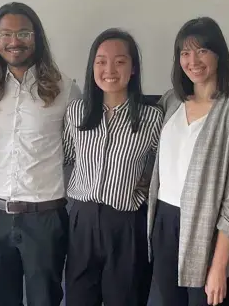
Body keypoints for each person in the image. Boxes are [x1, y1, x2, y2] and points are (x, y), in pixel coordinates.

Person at [147, 17, 229, 306]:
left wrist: (219, 266)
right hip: (164, 222)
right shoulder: (171, 101)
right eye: (185, 53)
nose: (192, 61)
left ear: (218, 55)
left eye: (202, 51)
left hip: (207, 231)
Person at [0, 1, 81, 306]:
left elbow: (75, 150)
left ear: (36, 37)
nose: (14, 41)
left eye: (23, 33)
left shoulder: (65, 88)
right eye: (6, 34)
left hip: (45, 218)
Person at [62, 29, 163, 306]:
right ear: (92, 66)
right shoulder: (76, 112)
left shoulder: (152, 118)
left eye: (119, 62)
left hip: (127, 225)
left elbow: (162, 168)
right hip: (82, 222)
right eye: (101, 61)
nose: (109, 69)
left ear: (133, 69)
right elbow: (67, 158)